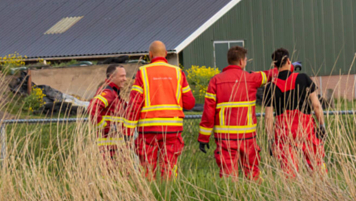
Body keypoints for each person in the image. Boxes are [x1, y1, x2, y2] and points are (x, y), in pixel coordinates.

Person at [123, 41, 195, 179]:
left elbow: (134, 105)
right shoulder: (178, 72)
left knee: (147, 167)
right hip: (172, 129)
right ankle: (168, 191)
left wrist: (128, 131)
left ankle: (149, 191)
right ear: (166, 54)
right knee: (169, 166)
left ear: (150, 54)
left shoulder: (143, 72)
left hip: (148, 129)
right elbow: (190, 103)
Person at [197, 45, 270, 179]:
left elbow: (208, 112)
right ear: (241, 61)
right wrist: (290, 67)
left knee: (228, 174)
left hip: (225, 137)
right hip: (247, 136)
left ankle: (231, 193)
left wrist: (204, 137)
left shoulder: (215, 80)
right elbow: (271, 74)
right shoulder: (251, 78)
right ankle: (254, 192)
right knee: (252, 171)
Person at [262, 48, 326, 177]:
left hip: (284, 132)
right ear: (288, 61)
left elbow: (268, 117)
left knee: (289, 170)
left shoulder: (270, 87)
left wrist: (270, 140)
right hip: (306, 129)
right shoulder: (303, 78)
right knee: (317, 164)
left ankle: (292, 188)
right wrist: (322, 125)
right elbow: (316, 106)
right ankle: (322, 186)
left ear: (275, 65)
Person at [88, 64, 127, 159]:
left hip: (114, 149)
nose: (125, 79)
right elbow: (92, 109)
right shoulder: (108, 93)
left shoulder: (114, 93)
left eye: (125, 76)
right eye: (122, 76)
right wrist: (106, 128)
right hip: (108, 150)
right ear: (111, 77)